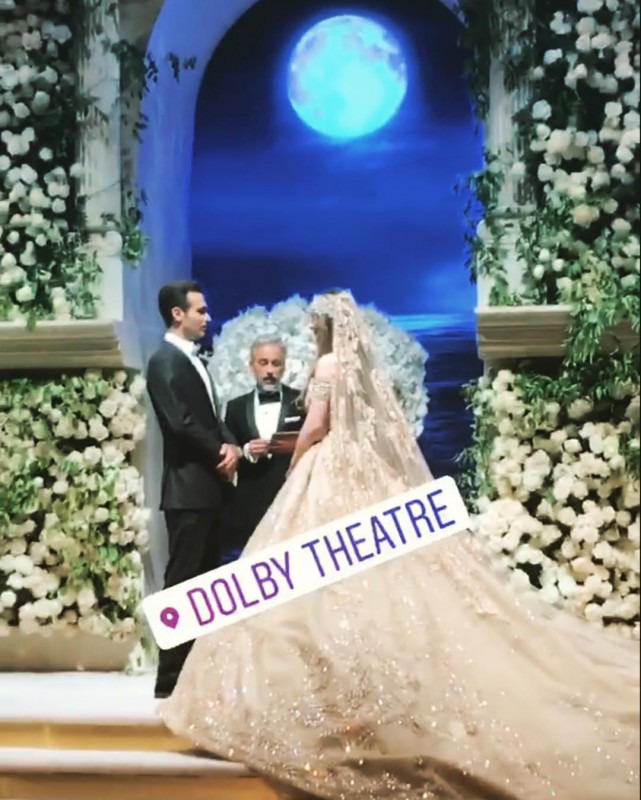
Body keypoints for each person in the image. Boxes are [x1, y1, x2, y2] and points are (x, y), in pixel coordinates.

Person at [159, 290, 639, 799]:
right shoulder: (362, 368)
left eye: (314, 325)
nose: (310, 332)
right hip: (363, 472)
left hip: (326, 472)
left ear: (326, 327)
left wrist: (297, 463)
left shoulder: (326, 365)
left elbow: (316, 426)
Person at [146, 280, 241, 699]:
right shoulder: (163, 361)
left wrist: (231, 444)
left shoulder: (190, 359)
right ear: (177, 314)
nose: (208, 317)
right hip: (186, 490)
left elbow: (211, 417)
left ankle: (197, 674)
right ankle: (169, 678)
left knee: (205, 584)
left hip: (208, 489)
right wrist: (220, 449)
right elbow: (180, 423)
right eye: (200, 310)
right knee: (182, 582)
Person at [224, 336, 305, 555]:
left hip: (291, 498)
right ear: (252, 366)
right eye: (263, 363)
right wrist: (246, 451)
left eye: (276, 363)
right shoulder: (235, 407)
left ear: (284, 367)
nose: (269, 370)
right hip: (250, 503)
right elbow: (228, 449)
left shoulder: (300, 402)